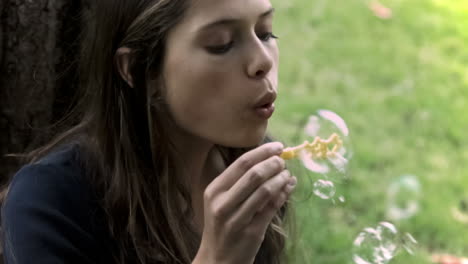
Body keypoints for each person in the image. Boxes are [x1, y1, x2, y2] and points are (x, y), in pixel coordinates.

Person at [1, 0, 297, 263]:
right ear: (139, 70)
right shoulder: (51, 205)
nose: (263, 61)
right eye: (221, 44)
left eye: (265, 33)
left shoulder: (253, 172)